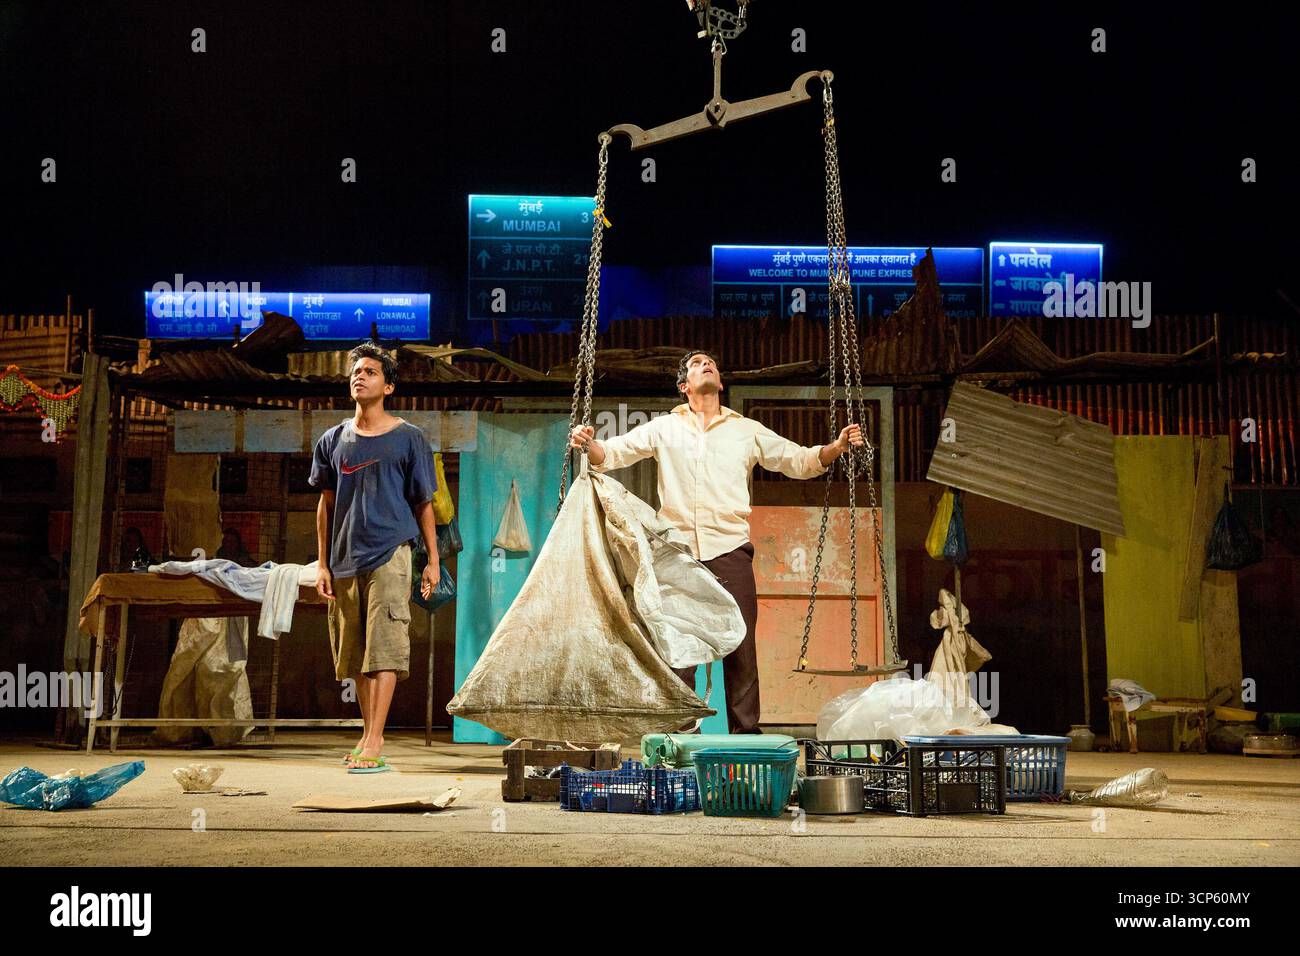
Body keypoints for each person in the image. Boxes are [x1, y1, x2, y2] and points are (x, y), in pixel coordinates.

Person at [570, 349, 864, 734]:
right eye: (696, 364)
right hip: (679, 554)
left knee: (741, 649)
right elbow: (613, 453)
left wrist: (836, 448)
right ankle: (682, 731)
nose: (706, 364)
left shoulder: (746, 430)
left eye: (711, 362)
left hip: (729, 551)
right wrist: (588, 443)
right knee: (678, 647)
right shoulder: (665, 428)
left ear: (720, 382)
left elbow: (798, 461)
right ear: (684, 386)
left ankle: (746, 734)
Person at [309, 342, 440, 772]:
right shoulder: (332, 440)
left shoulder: (409, 438)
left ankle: (376, 739)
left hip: (391, 553)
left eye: (369, 372)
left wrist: (433, 560)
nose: (359, 377)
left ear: (389, 385)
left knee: (384, 648)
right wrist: (323, 562)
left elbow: (424, 503)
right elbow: (326, 504)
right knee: (355, 654)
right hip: (345, 558)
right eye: (356, 372)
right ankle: (367, 735)